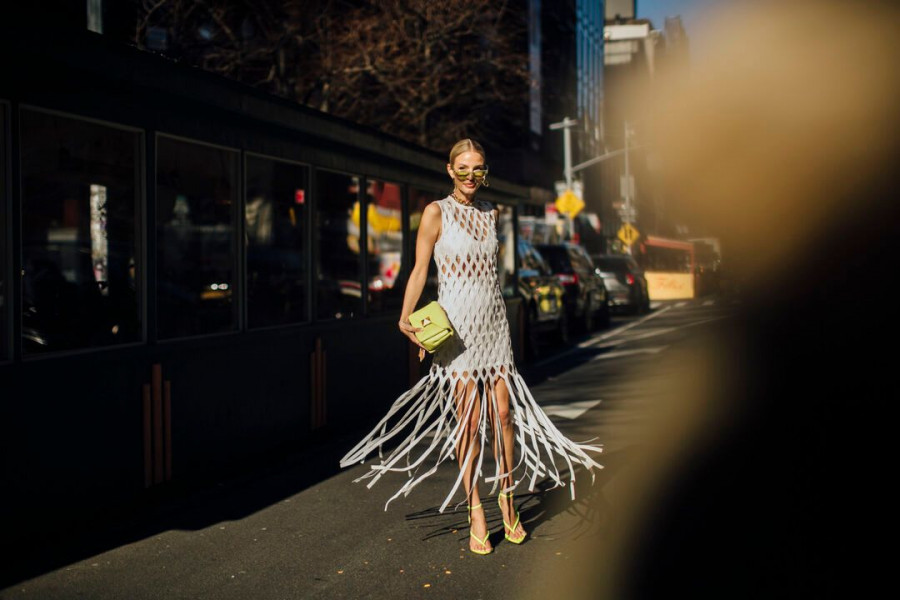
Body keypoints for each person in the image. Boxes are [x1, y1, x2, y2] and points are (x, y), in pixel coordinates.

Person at [340, 139, 604, 555]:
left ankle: (507, 497)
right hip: (458, 330)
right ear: (450, 170)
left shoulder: (490, 213)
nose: (469, 176)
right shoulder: (435, 213)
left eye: (477, 168)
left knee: (504, 415)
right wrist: (405, 316)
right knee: (469, 420)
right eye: (462, 168)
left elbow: (491, 274)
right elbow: (420, 270)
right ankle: (475, 507)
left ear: (485, 172)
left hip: (493, 325)